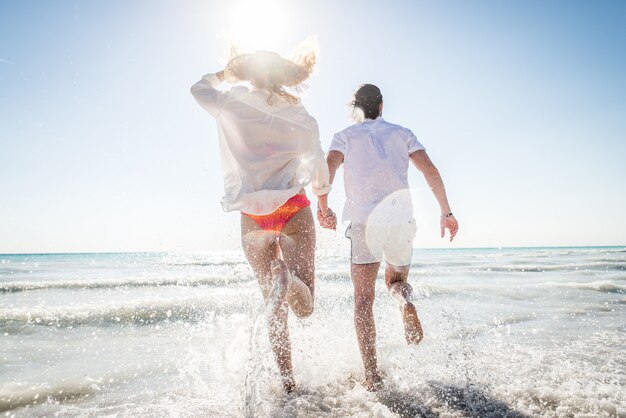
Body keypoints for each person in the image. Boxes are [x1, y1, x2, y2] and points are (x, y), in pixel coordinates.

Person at [191, 48, 337, 392]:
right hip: (293, 207)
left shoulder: (231, 102)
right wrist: (322, 199)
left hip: (253, 215)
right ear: (281, 74)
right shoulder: (299, 113)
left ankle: (288, 384)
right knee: (304, 307)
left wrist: (226, 74)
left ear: (250, 74)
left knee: (273, 307)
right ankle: (288, 280)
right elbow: (317, 161)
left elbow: (198, 88)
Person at [321, 84, 458, 391]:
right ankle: (405, 301)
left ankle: (372, 376)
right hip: (400, 218)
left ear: (356, 108)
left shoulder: (345, 135)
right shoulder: (402, 133)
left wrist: (323, 206)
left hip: (364, 222)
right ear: (381, 106)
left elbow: (328, 167)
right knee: (395, 283)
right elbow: (430, 171)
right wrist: (446, 213)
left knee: (363, 300)